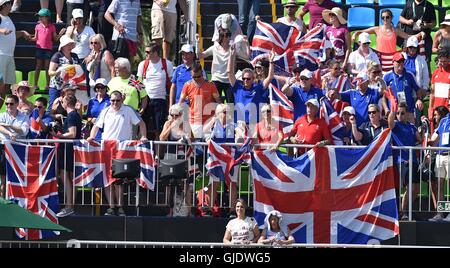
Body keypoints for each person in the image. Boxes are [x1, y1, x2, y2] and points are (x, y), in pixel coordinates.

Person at [87, 91, 147, 216]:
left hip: (122, 149)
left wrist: (144, 136)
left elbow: (141, 123)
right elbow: (96, 126)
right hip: (107, 149)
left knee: (118, 179)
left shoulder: (128, 110)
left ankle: (120, 207)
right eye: (112, 100)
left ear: (122, 100)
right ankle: (111, 207)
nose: (114, 103)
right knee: (107, 179)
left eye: (117, 100)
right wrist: (91, 136)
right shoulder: (106, 111)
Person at [352, 9, 424, 72]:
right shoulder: (377, 29)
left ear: (391, 18)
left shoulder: (395, 30)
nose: (385, 19)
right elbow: (362, 31)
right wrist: (355, 33)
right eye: (383, 17)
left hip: (391, 60)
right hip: (379, 59)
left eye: (387, 17)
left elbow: (408, 37)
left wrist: (420, 34)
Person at [388, 102, 422, 220]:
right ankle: (404, 213)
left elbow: (419, 139)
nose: (400, 115)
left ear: (407, 114)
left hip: (414, 160)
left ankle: (405, 210)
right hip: (403, 160)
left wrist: (421, 128)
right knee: (410, 187)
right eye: (398, 113)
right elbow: (390, 123)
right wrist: (392, 110)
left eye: (402, 113)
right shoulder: (396, 125)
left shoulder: (411, 126)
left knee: (416, 189)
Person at [196, 28, 250, 104]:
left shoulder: (233, 49)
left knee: (230, 104)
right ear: (222, 37)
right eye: (227, 36)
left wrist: (246, 43)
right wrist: (197, 43)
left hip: (229, 80)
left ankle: (229, 116)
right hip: (216, 79)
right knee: (215, 104)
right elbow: (200, 56)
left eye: (229, 36)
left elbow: (247, 56)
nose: (229, 38)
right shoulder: (214, 48)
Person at [159, 104, 193, 217]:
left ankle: (189, 211)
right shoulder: (168, 123)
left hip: (183, 157)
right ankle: (169, 210)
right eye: (171, 115)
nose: (174, 117)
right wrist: (171, 126)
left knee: (185, 184)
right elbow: (162, 138)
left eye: (176, 115)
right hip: (170, 156)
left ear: (181, 115)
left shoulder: (185, 124)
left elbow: (192, 138)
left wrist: (183, 133)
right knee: (169, 183)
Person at [228, 47, 274, 127]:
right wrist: (231, 56)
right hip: (240, 125)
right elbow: (229, 72)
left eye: (248, 79)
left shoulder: (258, 88)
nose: (246, 80)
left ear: (253, 79)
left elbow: (270, 77)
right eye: (244, 78)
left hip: (254, 125)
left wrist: (271, 61)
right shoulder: (238, 88)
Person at [137, 43, 173, 140]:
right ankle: (142, 151)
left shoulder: (167, 64)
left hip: (160, 100)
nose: (146, 54)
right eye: (146, 52)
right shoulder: (143, 64)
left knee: (159, 128)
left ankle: (158, 154)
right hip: (146, 100)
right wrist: (141, 99)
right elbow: (138, 83)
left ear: (156, 53)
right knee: (143, 126)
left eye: (148, 52)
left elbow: (172, 83)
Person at [54, 94, 83, 218]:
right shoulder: (74, 115)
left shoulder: (71, 115)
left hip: (68, 150)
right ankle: (70, 206)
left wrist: (59, 136)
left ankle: (69, 206)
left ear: (66, 103)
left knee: (66, 176)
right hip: (70, 150)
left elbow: (72, 133)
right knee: (70, 178)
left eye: (63, 101)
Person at [178, 63, 222, 139]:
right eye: (193, 77)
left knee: (209, 145)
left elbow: (219, 102)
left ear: (202, 73)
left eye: (198, 76)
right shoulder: (187, 85)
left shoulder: (210, 85)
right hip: (194, 121)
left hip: (208, 121)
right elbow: (180, 102)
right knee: (196, 146)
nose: (196, 79)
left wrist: (217, 116)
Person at [0, 0, 31, 105]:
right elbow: (3, 32)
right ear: (4, 5)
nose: (11, 4)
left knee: (7, 86)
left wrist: (22, 33)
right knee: (1, 86)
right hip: (1, 55)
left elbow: (11, 35)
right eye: (9, 3)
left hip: (9, 56)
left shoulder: (8, 18)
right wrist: (1, 31)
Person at [29, 8, 66, 91]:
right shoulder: (37, 26)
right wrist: (30, 38)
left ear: (47, 17)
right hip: (39, 48)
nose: (40, 18)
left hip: (48, 49)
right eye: (39, 17)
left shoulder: (52, 27)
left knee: (47, 67)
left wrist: (60, 33)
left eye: (41, 17)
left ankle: (48, 85)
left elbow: (55, 39)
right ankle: (35, 84)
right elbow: (36, 38)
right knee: (38, 66)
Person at [0, 95, 30, 197]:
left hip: (18, 149)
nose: (8, 105)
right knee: (3, 176)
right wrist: (10, 133)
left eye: (11, 103)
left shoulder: (24, 116)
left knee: (17, 176)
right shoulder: (2, 115)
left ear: (17, 104)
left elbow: (24, 132)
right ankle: (2, 199)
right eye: (7, 103)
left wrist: (9, 126)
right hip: (3, 149)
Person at [383, 52, 424, 123]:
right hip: (394, 112)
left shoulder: (409, 74)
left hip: (409, 111)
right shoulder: (387, 76)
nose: (401, 63)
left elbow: (417, 89)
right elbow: (383, 96)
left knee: (410, 132)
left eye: (402, 61)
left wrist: (419, 99)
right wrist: (386, 109)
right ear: (393, 62)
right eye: (398, 61)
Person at [427, 106, 450, 222]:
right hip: (440, 156)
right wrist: (430, 142)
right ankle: (440, 214)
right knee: (440, 186)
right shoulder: (443, 121)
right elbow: (436, 137)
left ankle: (449, 214)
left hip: (449, 155)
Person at [47, 35, 82, 110]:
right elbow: (50, 72)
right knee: (53, 105)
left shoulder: (75, 56)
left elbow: (78, 69)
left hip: (70, 86)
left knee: (70, 105)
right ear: (63, 46)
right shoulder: (57, 56)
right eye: (67, 45)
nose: (69, 47)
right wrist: (57, 72)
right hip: (57, 86)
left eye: (70, 44)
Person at [428, 49, 450, 119]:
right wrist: (430, 108)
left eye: (445, 61)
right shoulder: (435, 73)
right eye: (441, 61)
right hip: (437, 109)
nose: (443, 64)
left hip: (447, 109)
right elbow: (432, 93)